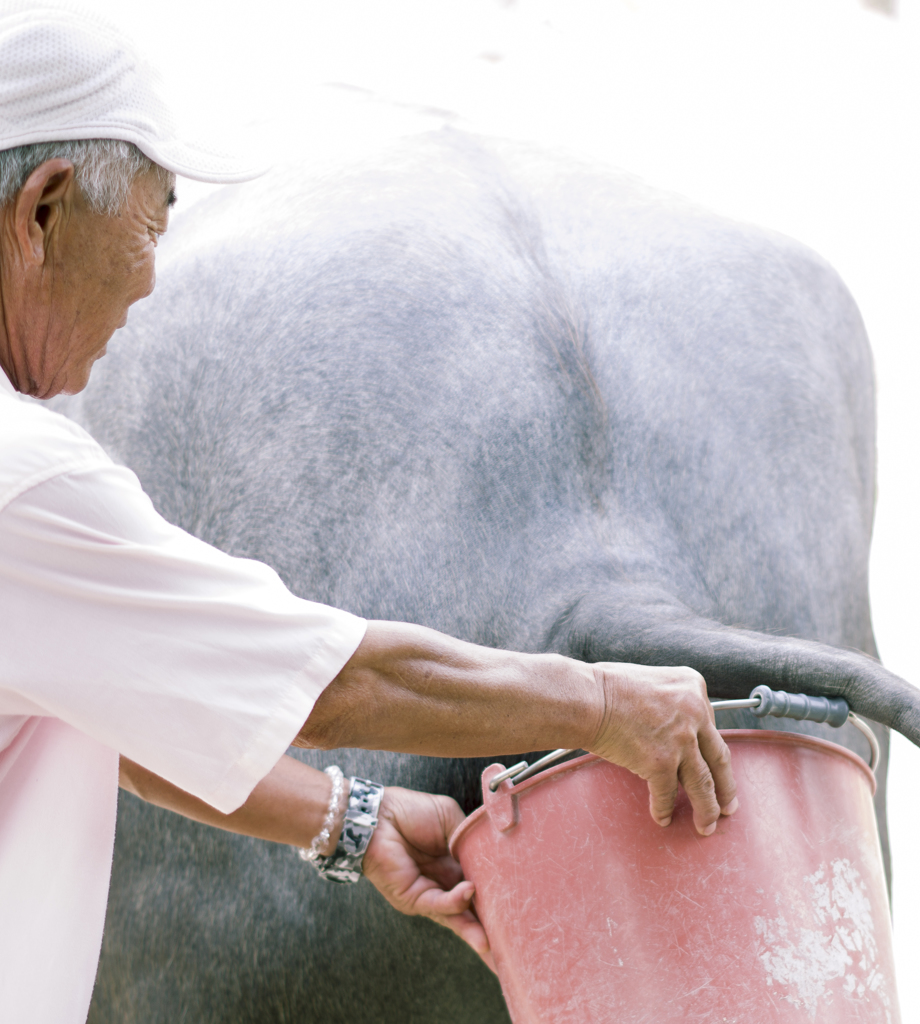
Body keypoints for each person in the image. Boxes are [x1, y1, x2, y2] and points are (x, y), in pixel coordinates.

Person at [0, 5, 738, 1021]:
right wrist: (604, 706)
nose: (148, 279)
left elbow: (92, 691)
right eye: (150, 218)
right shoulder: (25, 479)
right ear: (44, 210)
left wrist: (345, 817)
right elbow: (340, 681)